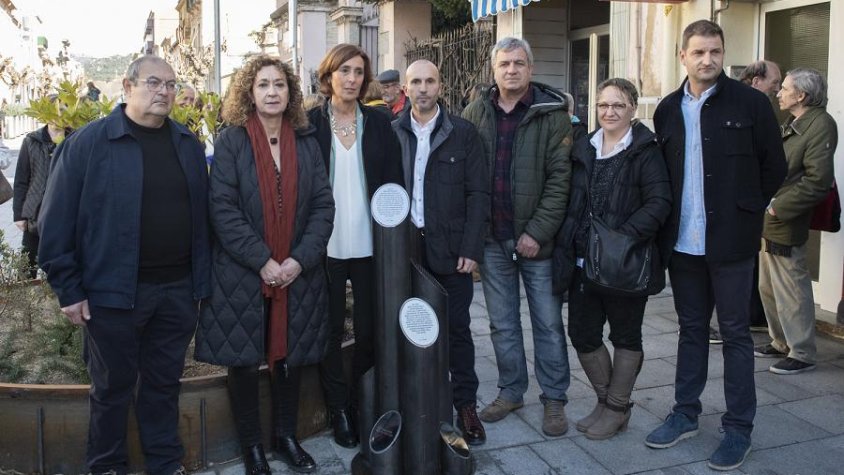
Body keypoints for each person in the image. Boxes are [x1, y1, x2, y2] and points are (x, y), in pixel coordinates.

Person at [38, 55, 211, 475]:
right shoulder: (89, 143)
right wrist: (69, 289)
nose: (164, 91)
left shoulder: (187, 144)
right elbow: (55, 220)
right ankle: (106, 466)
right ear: (128, 86)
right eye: (154, 82)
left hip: (176, 292)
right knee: (111, 389)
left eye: (171, 84)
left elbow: (202, 217)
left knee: (163, 385)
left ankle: (165, 462)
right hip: (112, 296)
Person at [644, 20, 786, 471]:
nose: (708, 60)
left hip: (731, 244)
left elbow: (774, 166)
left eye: (716, 52)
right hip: (684, 244)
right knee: (690, 330)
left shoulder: (751, 103)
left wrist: (747, 209)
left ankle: (738, 427)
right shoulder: (667, 109)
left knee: (736, 335)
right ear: (682, 56)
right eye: (699, 52)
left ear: (724, 55)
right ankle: (686, 412)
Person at [194, 55, 334, 474]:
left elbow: (324, 207)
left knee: (288, 357)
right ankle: (253, 447)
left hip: (296, 272)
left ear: (290, 92)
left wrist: (297, 260)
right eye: (263, 85)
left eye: (279, 85)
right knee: (242, 361)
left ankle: (286, 438)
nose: (272, 92)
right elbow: (222, 209)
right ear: (249, 93)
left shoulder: (307, 139)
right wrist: (263, 261)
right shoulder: (233, 140)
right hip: (243, 273)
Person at [462, 37, 573, 436]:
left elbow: (561, 181)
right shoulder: (475, 112)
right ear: (493, 70)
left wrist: (537, 233)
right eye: (505, 63)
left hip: (535, 242)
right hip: (493, 241)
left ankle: (555, 398)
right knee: (502, 323)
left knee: (546, 322)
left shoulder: (552, 114)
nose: (512, 70)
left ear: (531, 68)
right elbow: (468, 178)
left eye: (519, 63)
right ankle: (511, 390)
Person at [558, 78, 671, 440]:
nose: (609, 112)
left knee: (625, 335)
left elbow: (659, 203)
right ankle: (608, 403)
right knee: (582, 334)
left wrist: (620, 240)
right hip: (582, 262)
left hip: (624, 262)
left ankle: (616, 407)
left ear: (633, 110)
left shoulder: (645, 149)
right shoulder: (584, 146)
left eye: (618, 106)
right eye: (604, 105)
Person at [307, 43, 403, 448]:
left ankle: (362, 402)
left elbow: (395, 186)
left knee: (368, 332)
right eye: (343, 71)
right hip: (323, 246)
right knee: (328, 331)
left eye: (358, 72)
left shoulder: (379, 123)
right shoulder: (308, 123)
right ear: (328, 75)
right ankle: (338, 410)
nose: (351, 79)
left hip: (369, 244)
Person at [393, 59, 490, 445]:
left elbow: (477, 194)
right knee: (407, 327)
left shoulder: (463, 133)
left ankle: (465, 405)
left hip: (450, 247)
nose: (423, 88)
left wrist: (471, 247)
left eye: (429, 81)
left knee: (457, 330)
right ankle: (413, 401)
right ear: (405, 87)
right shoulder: (391, 132)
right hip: (404, 248)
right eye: (415, 81)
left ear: (440, 85)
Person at [754, 68, 837, 375]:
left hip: (784, 218)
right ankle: (780, 341)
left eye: (785, 88)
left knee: (791, 287)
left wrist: (778, 207)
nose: (779, 92)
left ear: (801, 95)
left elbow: (818, 181)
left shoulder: (820, 125)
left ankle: (801, 351)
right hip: (770, 216)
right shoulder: (795, 121)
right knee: (769, 285)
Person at [13, 101, 67, 278]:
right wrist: (18, 215)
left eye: (64, 111)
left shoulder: (75, 140)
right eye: (55, 111)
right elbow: (21, 179)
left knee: (61, 264)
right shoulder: (31, 140)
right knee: (27, 265)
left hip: (64, 212)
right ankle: (25, 303)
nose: (60, 115)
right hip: (34, 213)